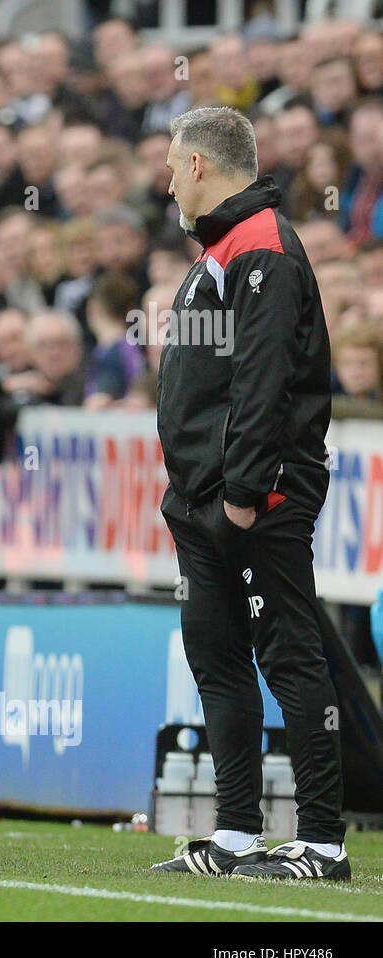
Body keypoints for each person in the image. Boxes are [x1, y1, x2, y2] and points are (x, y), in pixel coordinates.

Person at [152, 106, 348, 880]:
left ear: (201, 164)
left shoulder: (262, 248)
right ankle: (236, 833)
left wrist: (242, 491)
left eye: (173, 165)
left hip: (254, 498)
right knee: (219, 656)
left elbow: (265, 382)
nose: (166, 180)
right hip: (201, 498)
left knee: (291, 657)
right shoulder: (222, 252)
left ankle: (324, 842)